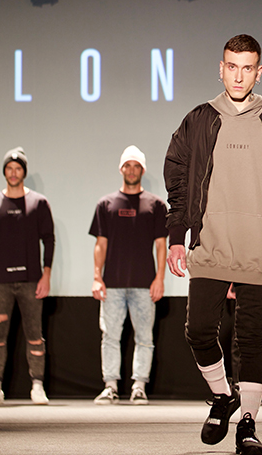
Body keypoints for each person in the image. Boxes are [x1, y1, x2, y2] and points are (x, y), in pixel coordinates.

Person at [164, 34, 262, 455]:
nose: (239, 76)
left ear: (258, 72)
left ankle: (248, 424)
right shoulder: (199, 119)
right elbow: (178, 177)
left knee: (252, 338)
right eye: (232, 66)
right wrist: (177, 236)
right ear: (221, 68)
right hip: (210, 244)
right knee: (198, 331)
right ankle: (222, 396)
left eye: (247, 68)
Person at [90, 146, 168, 405]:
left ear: (142, 170)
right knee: (110, 336)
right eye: (128, 165)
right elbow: (100, 244)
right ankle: (110, 386)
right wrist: (97, 276)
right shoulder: (106, 204)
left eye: (136, 166)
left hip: (145, 284)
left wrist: (159, 278)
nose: (132, 170)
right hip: (112, 284)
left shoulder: (156, 205)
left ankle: (139, 387)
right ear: (121, 169)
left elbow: (161, 245)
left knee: (144, 337)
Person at [0, 147, 55, 405]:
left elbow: (49, 239)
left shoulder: (38, 203)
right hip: (0, 282)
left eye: (18, 168)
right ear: (4, 172)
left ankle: (37, 385)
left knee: (35, 333)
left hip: (32, 280)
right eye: (9, 168)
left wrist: (46, 275)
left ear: (24, 172)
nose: (13, 173)